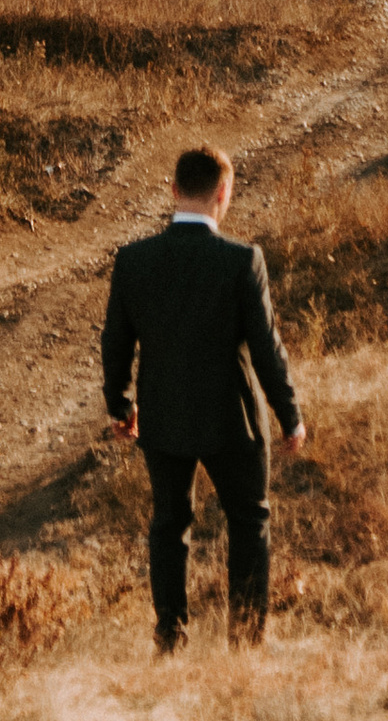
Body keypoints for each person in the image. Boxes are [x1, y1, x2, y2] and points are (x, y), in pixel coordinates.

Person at [102, 145, 306, 653]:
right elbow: (266, 347)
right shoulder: (242, 261)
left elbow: (115, 341)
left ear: (173, 190)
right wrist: (289, 415)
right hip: (231, 417)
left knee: (169, 524)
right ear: (224, 193)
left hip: (163, 414)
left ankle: (170, 635)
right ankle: (245, 640)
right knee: (249, 521)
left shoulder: (133, 261)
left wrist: (121, 405)